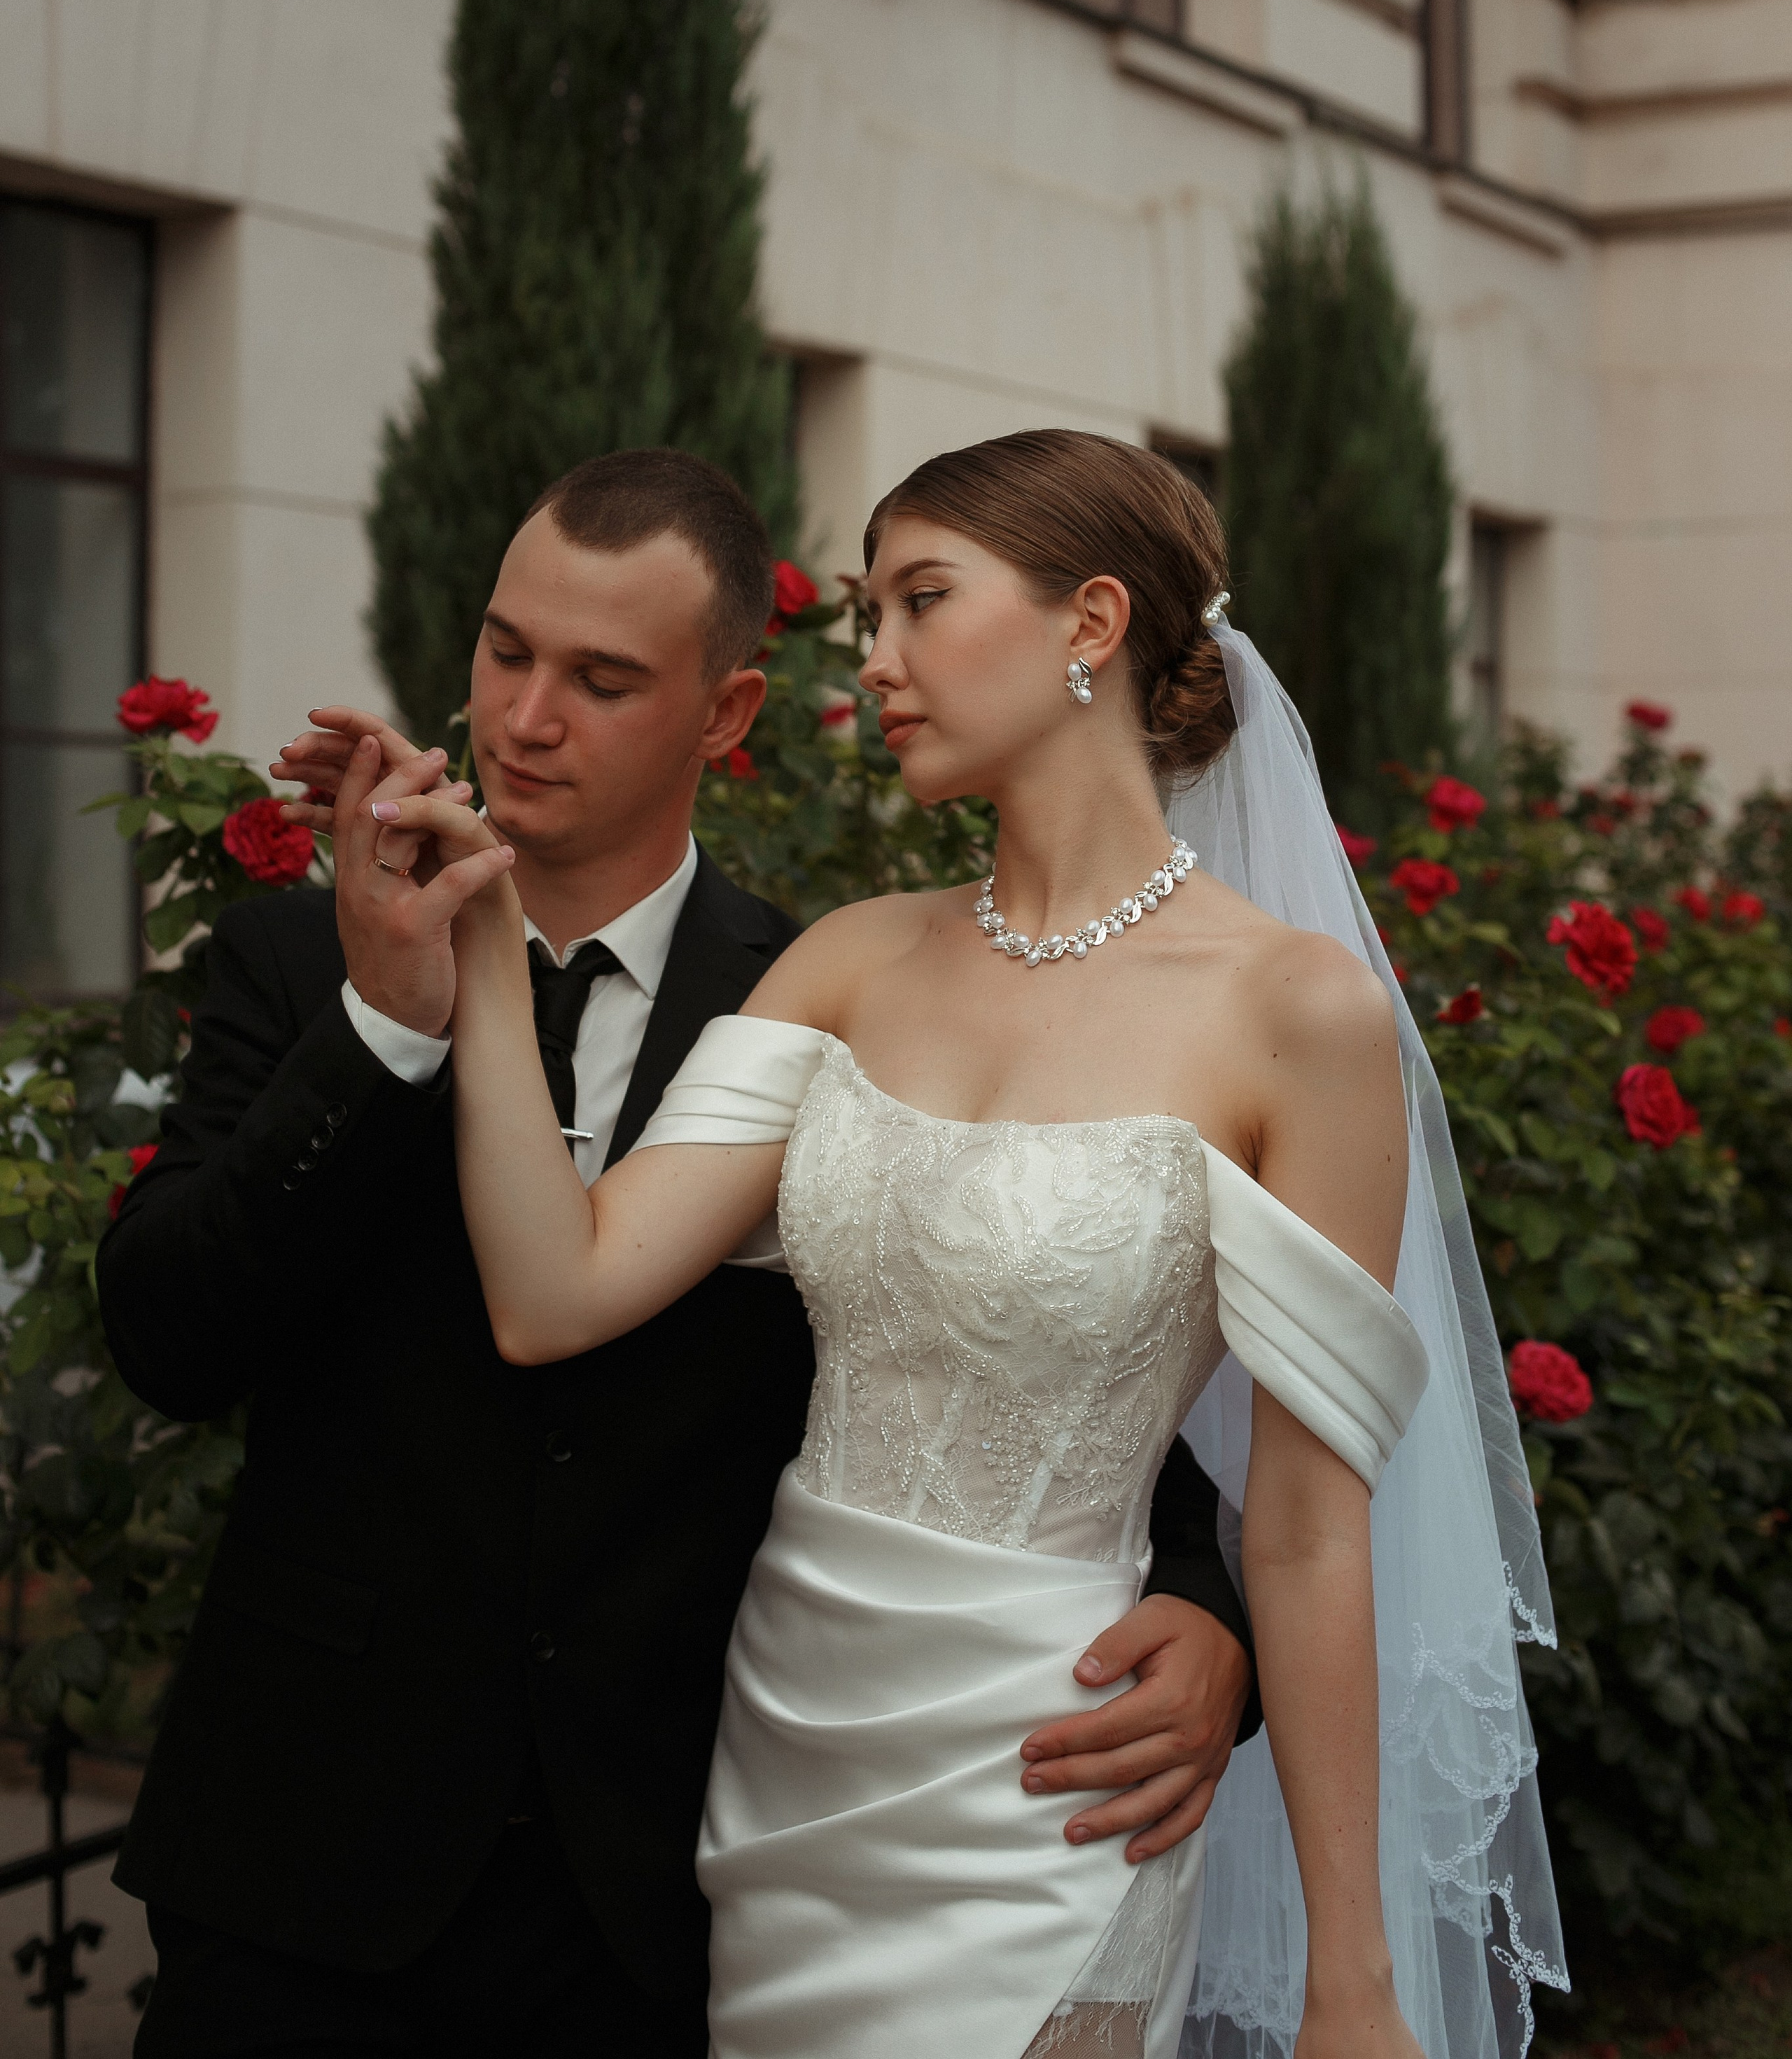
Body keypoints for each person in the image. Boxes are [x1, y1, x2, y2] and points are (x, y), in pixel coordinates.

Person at [392, 431, 1564, 2059]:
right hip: (795, 1767)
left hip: (1052, 1780)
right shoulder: (848, 965)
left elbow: (1301, 1533)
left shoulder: (1295, 1014)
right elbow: (552, 1291)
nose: (871, 660)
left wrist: (1347, 1979)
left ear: (1090, 623)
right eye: (866, 613)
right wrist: (476, 933)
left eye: (918, 602)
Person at [97, 447, 1256, 2059]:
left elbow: (1044, 1341)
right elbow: (167, 1336)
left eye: (599, 677)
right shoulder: (302, 956)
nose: (521, 718)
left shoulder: (842, 995)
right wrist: (379, 1027)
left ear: (725, 715)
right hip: (302, 1864)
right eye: (506, 651)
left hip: (671, 1894)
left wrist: (1210, 1613)